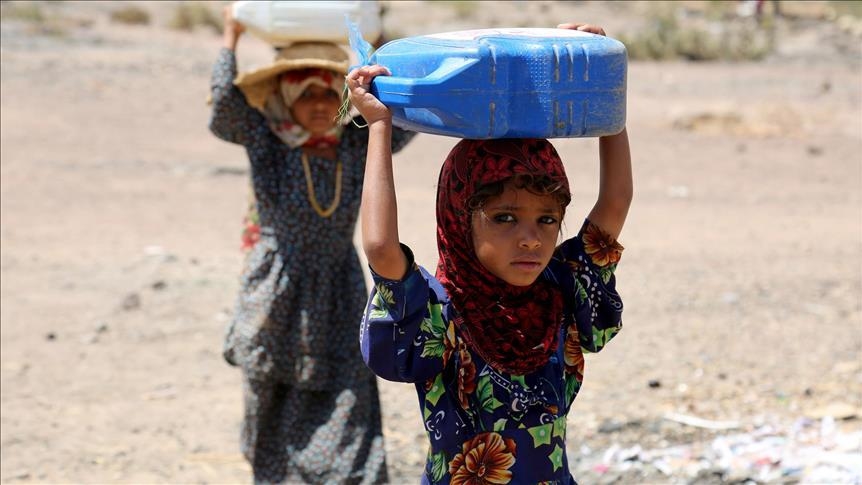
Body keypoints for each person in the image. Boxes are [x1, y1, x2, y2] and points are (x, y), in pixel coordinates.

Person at [347, 22, 632, 484]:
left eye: (546, 219)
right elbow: (380, 247)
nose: (531, 239)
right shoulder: (439, 315)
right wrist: (378, 126)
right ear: (460, 219)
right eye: (504, 218)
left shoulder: (563, 292)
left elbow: (614, 203)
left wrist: (603, 92)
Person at [209, 7, 416, 484]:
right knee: (270, 392)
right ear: (285, 98)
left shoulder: (352, 145)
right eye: (307, 94)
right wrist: (230, 36)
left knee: (349, 390)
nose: (322, 104)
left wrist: (378, 49)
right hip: (276, 288)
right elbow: (224, 108)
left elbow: (399, 121)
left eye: (331, 92)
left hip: (339, 284)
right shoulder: (269, 142)